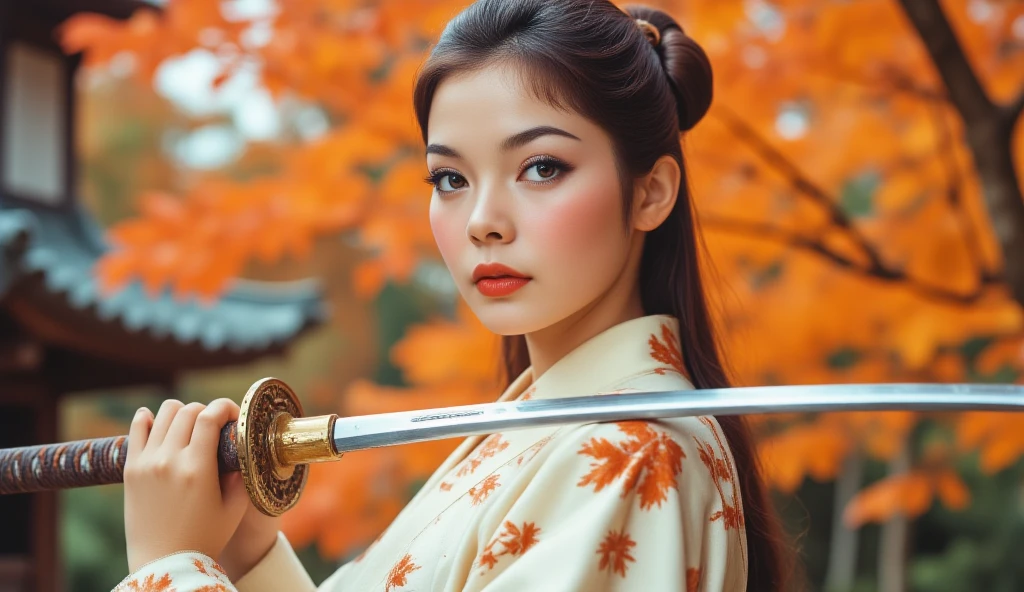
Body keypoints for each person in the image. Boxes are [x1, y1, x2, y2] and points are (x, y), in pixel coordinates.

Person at [113, 1, 795, 590]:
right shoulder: (545, 425)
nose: (482, 220)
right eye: (449, 179)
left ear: (650, 192)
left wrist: (169, 570)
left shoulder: (632, 452)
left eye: (541, 167)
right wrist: (247, 549)